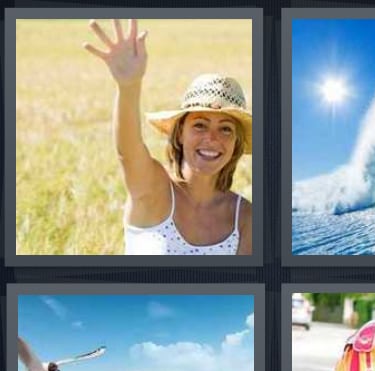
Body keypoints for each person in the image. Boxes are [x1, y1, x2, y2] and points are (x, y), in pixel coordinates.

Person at [84, 19, 252, 255]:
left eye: (225, 129)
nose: (212, 138)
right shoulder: (153, 189)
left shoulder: (246, 217)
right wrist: (129, 85)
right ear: (179, 134)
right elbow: (127, 152)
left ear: (235, 143)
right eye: (200, 125)